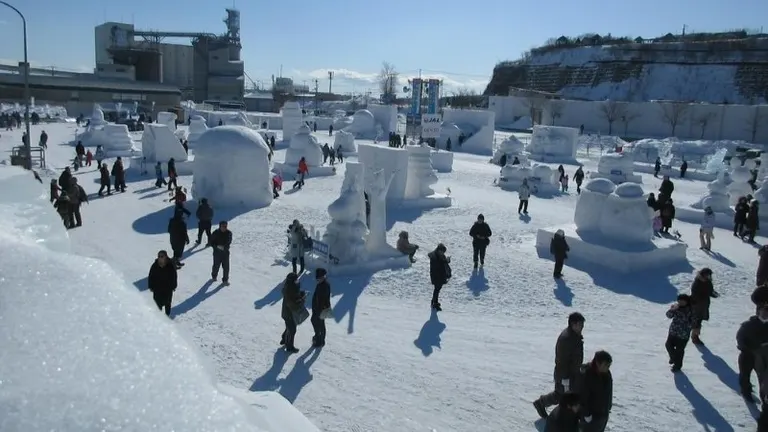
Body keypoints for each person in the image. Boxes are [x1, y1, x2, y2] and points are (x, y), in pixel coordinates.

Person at [534, 312, 586, 418]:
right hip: (565, 374)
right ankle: (541, 403)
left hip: (572, 373)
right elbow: (561, 361)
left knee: (570, 394)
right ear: (573, 324)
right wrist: (564, 378)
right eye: (580, 324)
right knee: (560, 395)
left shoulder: (574, 336)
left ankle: (572, 415)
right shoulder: (566, 339)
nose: (582, 327)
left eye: (582, 325)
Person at [738, 292, 768, 406]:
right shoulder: (748, 324)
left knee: (764, 378)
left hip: (764, 356)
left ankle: (764, 397)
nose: (766, 315)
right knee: (745, 375)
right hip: (748, 354)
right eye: (764, 312)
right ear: (758, 312)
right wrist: (747, 348)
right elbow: (740, 338)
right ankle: (746, 392)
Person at [576, 351, 613, 432]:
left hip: (603, 414)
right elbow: (583, 397)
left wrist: (608, 406)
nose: (608, 367)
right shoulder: (587, 375)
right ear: (598, 363)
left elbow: (609, 392)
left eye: (609, 365)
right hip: (591, 416)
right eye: (606, 365)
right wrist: (586, 414)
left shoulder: (607, 374)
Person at [665, 293, 695, 372]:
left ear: (686, 301)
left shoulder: (691, 310)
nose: (680, 302)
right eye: (679, 300)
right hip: (673, 332)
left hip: (683, 335)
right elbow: (668, 315)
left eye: (682, 301)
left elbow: (692, 322)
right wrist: (672, 309)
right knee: (668, 345)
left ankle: (677, 366)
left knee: (679, 351)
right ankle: (673, 357)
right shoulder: (676, 307)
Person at [689, 267, 719, 345]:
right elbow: (695, 295)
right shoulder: (697, 283)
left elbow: (710, 290)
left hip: (704, 305)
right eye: (707, 275)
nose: (709, 276)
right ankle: (694, 337)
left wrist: (713, 294)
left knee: (699, 320)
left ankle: (695, 335)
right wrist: (704, 296)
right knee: (697, 321)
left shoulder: (708, 282)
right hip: (697, 305)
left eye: (710, 275)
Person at [280, 272, 306, 353]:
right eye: (296, 279)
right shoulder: (290, 290)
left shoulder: (290, 287)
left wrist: (301, 294)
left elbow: (295, 296)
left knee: (289, 327)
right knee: (292, 329)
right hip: (289, 313)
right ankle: (289, 346)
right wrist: (303, 299)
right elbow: (295, 304)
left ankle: (284, 338)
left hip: (286, 313)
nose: (298, 280)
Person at [147, 250, 178, 317]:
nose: (160, 258)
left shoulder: (170, 265)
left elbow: (174, 276)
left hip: (168, 289)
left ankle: (167, 315)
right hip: (157, 289)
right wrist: (151, 286)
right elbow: (151, 276)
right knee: (157, 304)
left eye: (162, 256)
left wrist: (174, 286)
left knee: (167, 303)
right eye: (159, 256)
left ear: (166, 257)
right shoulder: (154, 266)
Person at [311, 268, 332, 347]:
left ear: (323, 277)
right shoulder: (320, 284)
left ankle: (320, 340)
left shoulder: (325, 286)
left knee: (320, 324)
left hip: (321, 309)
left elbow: (322, 300)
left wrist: (318, 310)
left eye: (319, 278)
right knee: (315, 322)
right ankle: (318, 337)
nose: (317, 280)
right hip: (318, 308)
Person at [427, 243, 451, 311]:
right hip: (437, 275)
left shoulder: (437, 255)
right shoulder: (435, 257)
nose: (443, 253)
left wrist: (446, 260)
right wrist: (446, 261)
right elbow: (440, 264)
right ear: (439, 250)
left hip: (438, 275)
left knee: (437, 289)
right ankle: (435, 303)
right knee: (437, 289)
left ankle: (434, 301)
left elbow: (442, 262)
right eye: (442, 251)